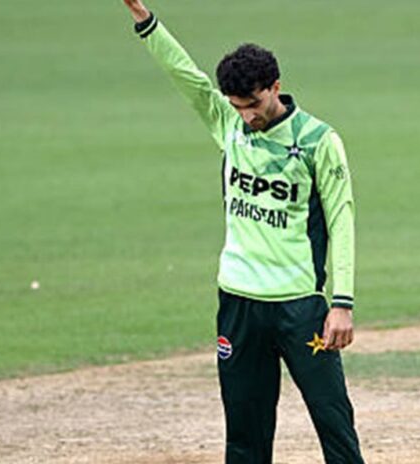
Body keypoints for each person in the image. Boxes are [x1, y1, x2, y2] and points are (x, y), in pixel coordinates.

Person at [121, 1, 365, 462]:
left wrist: (342, 303)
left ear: (276, 87)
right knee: (244, 431)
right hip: (238, 302)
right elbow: (186, 77)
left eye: (254, 104)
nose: (247, 116)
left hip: (299, 306)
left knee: (333, 419)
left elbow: (342, 218)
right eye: (237, 106)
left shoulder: (318, 140)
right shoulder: (229, 124)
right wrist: (143, 19)